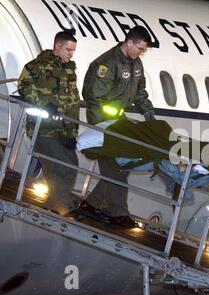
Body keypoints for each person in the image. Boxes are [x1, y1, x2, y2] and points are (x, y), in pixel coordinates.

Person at [79, 26, 155, 227]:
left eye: (143, 50)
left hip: (118, 121)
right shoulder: (107, 64)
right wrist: (102, 129)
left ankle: (93, 203)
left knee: (122, 165)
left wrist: (148, 112)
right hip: (103, 123)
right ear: (129, 42)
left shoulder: (135, 63)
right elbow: (94, 99)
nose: (141, 53)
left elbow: (139, 92)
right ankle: (118, 212)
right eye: (140, 48)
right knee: (115, 167)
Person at [18, 31, 80, 216]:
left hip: (62, 128)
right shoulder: (36, 66)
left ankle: (55, 204)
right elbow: (24, 86)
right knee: (58, 164)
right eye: (68, 49)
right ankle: (63, 206)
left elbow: (73, 101)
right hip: (42, 127)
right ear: (57, 47)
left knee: (72, 162)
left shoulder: (69, 70)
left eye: (73, 50)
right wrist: (45, 104)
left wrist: (72, 132)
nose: (71, 54)